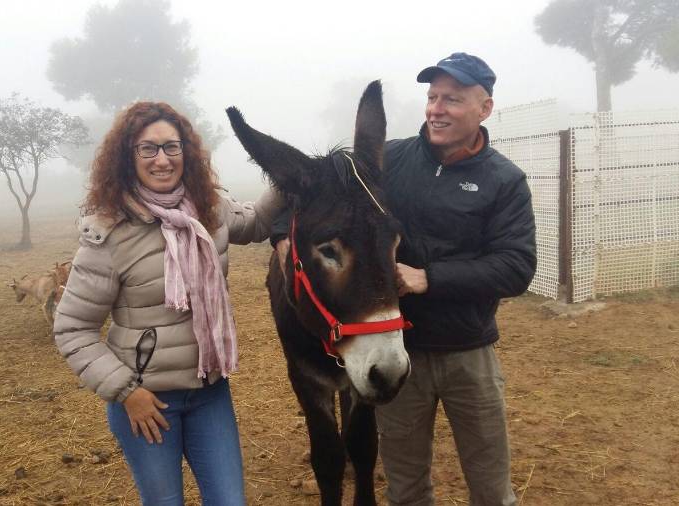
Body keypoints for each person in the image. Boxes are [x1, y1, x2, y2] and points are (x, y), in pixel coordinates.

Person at [274, 52, 536, 505]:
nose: (436, 108)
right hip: (398, 347)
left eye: (452, 99)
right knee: (406, 485)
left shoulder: (504, 180)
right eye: (432, 97)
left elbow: (516, 266)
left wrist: (428, 278)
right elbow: (309, 196)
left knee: (491, 484)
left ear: (484, 108)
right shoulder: (388, 161)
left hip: (467, 352)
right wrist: (281, 234)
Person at [53, 102, 282, 506]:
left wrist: (292, 170)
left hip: (210, 393)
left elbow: (259, 221)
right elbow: (73, 328)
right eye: (148, 149)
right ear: (129, 157)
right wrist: (127, 392)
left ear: (186, 152)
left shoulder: (211, 210)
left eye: (171, 147)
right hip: (147, 401)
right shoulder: (109, 234)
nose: (162, 159)